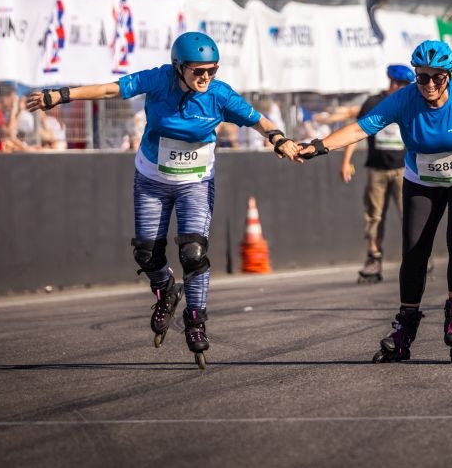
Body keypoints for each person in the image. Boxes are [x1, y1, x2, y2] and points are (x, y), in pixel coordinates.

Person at [25, 31, 302, 368]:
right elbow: (111, 89)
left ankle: (195, 320)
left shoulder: (219, 95)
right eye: (198, 71)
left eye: (212, 70)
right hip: (152, 180)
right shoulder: (159, 80)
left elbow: (259, 121)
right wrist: (60, 95)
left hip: (195, 183)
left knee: (193, 252)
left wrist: (279, 139)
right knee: (147, 253)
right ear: (178, 67)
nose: (206, 77)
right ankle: (166, 290)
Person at [297, 40, 452, 363]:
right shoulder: (403, 99)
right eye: (422, 77)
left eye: (436, 77)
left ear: (448, 76)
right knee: (415, 250)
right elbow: (360, 130)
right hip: (422, 177)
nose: (429, 84)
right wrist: (317, 146)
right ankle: (405, 329)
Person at [340, 64, 415, 283]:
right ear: (392, 83)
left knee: (410, 214)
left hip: (402, 169)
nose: (402, 88)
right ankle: (373, 257)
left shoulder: (409, 103)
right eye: (400, 84)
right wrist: (346, 161)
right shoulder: (373, 103)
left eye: (405, 85)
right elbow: (357, 131)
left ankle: (418, 256)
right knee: (374, 215)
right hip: (377, 169)